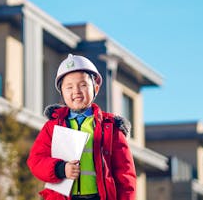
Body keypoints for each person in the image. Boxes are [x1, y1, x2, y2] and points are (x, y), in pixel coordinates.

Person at [27, 54, 136, 200]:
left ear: (95, 88)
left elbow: (125, 175)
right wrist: (60, 169)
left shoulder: (111, 128)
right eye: (69, 87)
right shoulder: (52, 127)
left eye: (83, 85)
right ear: (62, 93)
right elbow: (36, 160)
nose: (76, 91)